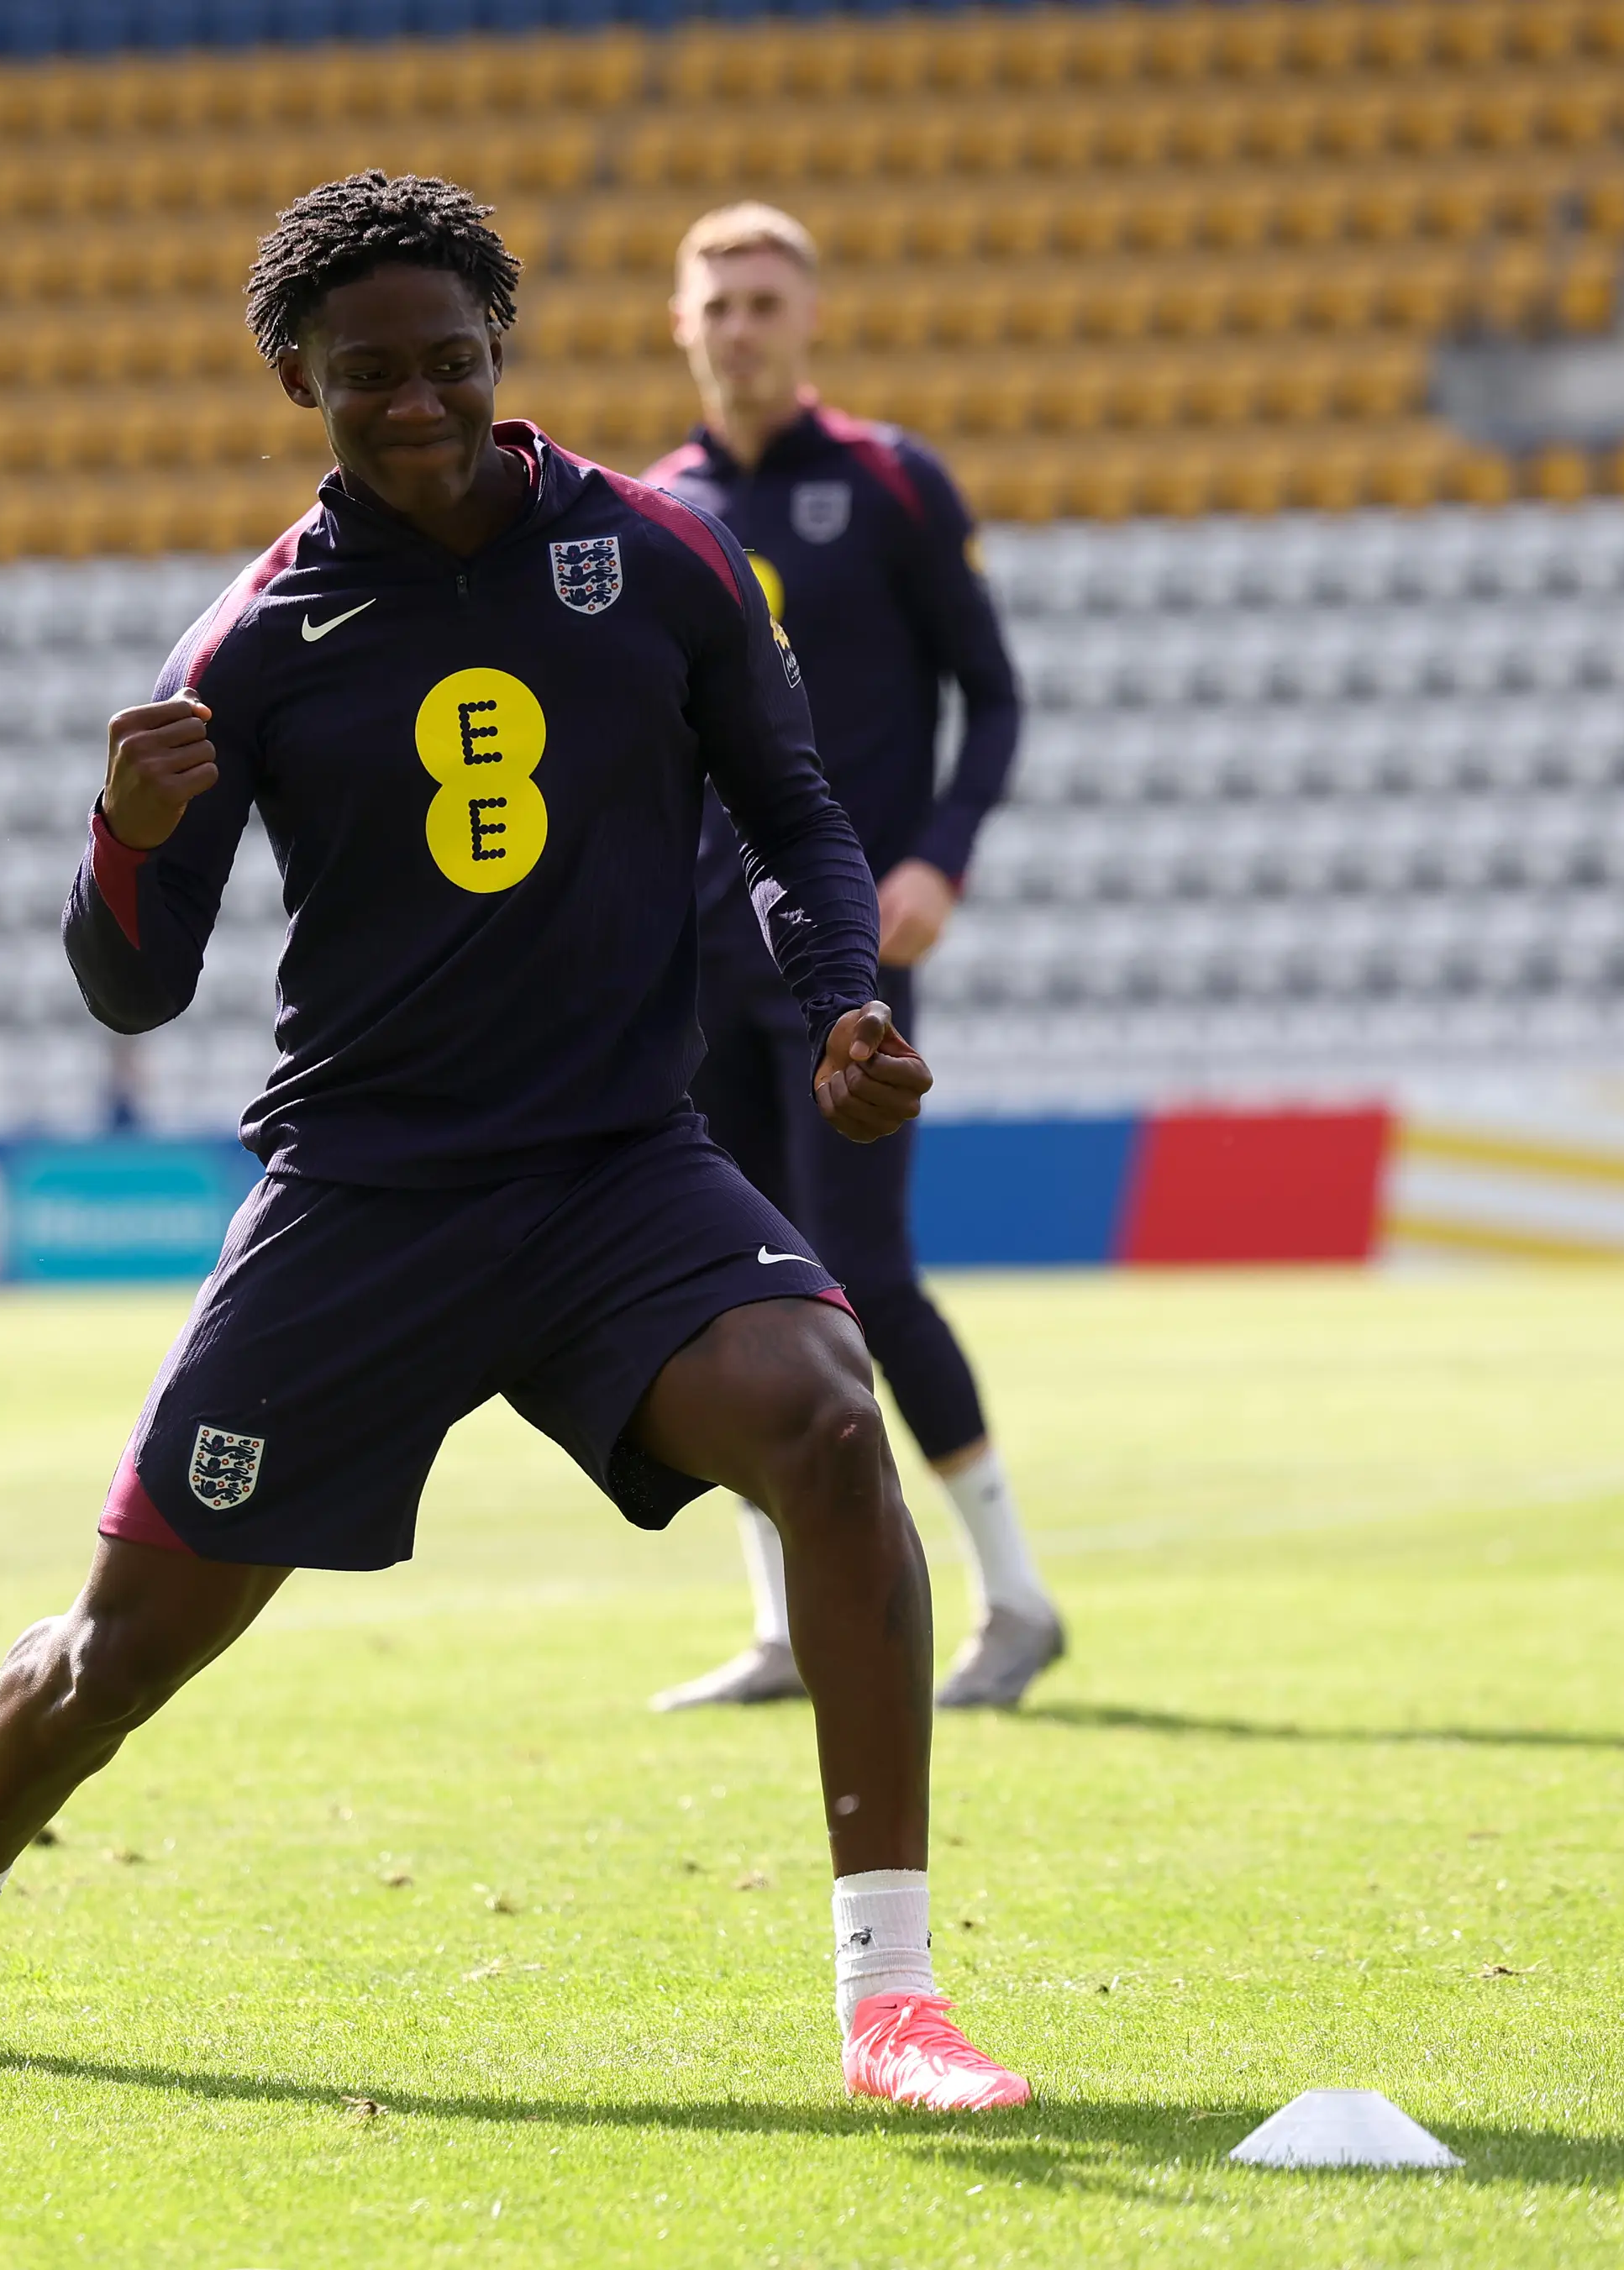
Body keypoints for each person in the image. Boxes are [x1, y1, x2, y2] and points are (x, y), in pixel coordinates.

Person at [0, 173, 1030, 2112]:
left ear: (502, 355)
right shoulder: (247, 643)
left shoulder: (658, 559)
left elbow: (796, 807)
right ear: (293, 379)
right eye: (365, 376)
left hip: (615, 1172)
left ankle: (890, 2000)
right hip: (365, 1200)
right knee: (113, 1655)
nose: (413, 402)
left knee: (830, 1423)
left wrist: (841, 989)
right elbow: (134, 991)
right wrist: (123, 835)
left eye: (447, 362)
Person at [639, 203, 1065, 1717]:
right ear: (679, 323)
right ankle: (776, 1625)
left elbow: (994, 696)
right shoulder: (660, 510)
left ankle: (1015, 1597)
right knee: (728, 1295)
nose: (742, 326)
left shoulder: (890, 482)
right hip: (694, 968)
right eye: (719, 303)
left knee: (865, 1272)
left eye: (767, 301)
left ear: (811, 320)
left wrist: (938, 857)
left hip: (844, 960)